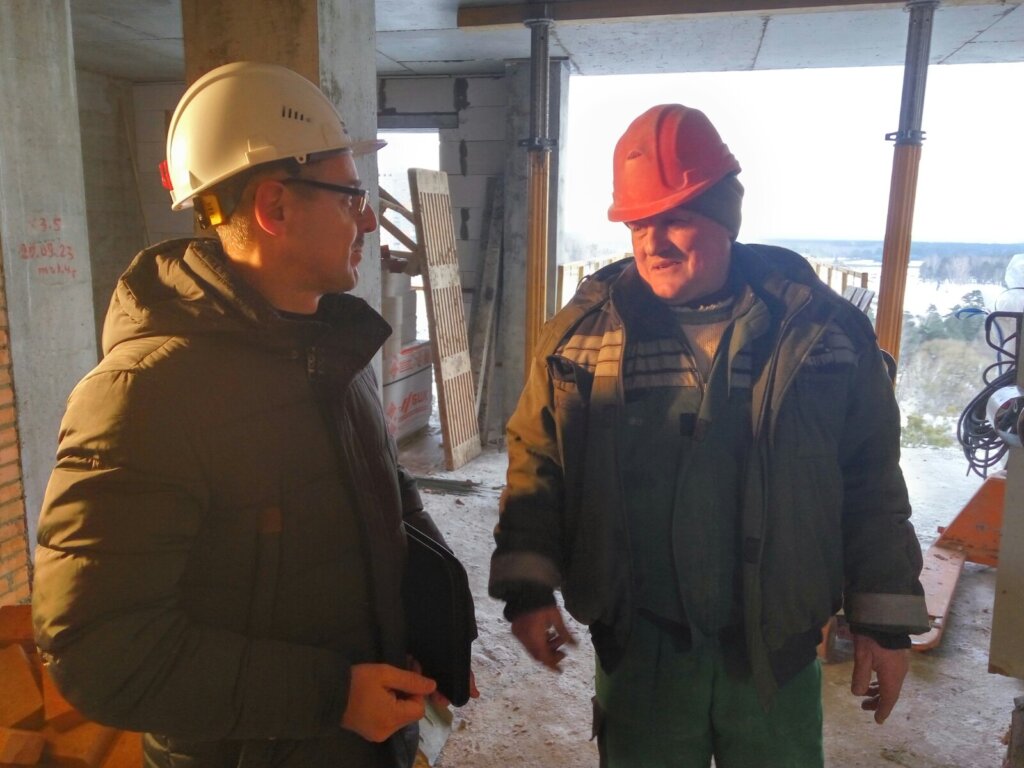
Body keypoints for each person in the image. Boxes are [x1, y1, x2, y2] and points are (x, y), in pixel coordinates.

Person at [32, 61, 474, 768]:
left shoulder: (335, 351)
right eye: (352, 196)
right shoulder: (146, 395)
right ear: (275, 207)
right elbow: (100, 653)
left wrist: (432, 630)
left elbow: (389, 499)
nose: (367, 218)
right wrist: (332, 697)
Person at [489, 103, 930, 767]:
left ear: (726, 216)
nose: (653, 243)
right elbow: (537, 464)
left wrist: (885, 623)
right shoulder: (583, 339)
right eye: (638, 223)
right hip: (642, 651)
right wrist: (528, 589)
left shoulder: (822, 336)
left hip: (776, 652)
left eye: (676, 219)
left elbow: (872, 480)